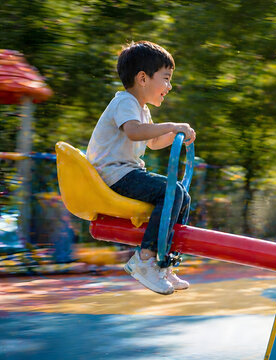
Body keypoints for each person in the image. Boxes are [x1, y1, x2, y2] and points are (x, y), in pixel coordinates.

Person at [86, 41, 196, 295]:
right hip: (113, 175)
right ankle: (145, 258)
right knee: (169, 192)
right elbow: (135, 132)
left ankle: (163, 264)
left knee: (181, 195)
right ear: (143, 78)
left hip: (126, 173)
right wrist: (172, 125)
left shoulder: (141, 110)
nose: (169, 86)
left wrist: (177, 133)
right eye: (166, 79)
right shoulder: (125, 102)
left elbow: (154, 141)